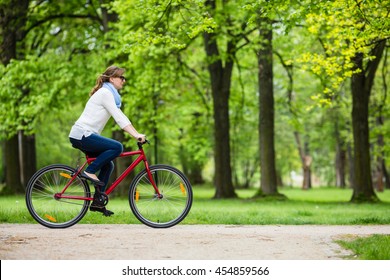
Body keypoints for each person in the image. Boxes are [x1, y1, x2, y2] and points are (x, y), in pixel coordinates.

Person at [69, 65, 145, 216]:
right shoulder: (105, 93)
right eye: (121, 77)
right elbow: (118, 118)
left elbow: (121, 116)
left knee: (108, 165)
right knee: (117, 147)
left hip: (86, 135)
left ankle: (98, 202)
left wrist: (137, 133)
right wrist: (135, 135)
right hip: (82, 134)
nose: (124, 80)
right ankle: (90, 172)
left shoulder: (111, 95)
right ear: (111, 79)